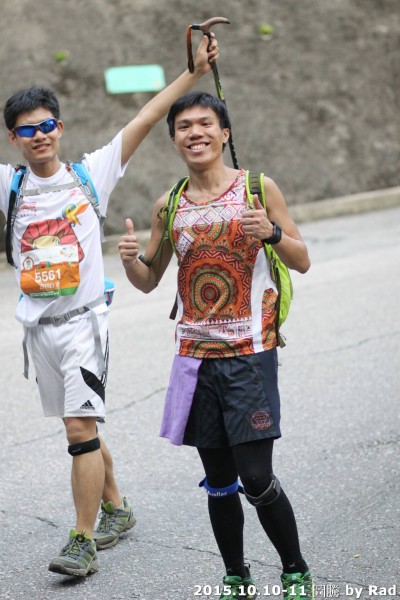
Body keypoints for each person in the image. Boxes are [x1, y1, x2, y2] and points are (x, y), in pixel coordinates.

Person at [0, 38, 219, 577]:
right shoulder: (10, 186)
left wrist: (192, 74)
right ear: (14, 139)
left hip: (84, 325)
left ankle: (82, 541)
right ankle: (117, 507)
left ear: (60, 128)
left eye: (47, 125)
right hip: (38, 329)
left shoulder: (89, 174)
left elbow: (145, 118)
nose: (39, 135)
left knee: (79, 430)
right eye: (27, 130)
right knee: (81, 429)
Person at [118, 91, 314, 599]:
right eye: (184, 126)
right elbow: (149, 280)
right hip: (194, 360)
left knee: (256, 477)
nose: (195, 133)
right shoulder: (169, 204)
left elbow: (301, 259)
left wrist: (271, 232)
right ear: (174, 139)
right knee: (220, 481)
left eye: (205, 123)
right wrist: (131, 261)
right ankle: (236, 576)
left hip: (250, 353)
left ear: (224, 133)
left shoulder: (257, 188)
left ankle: (295, 570)